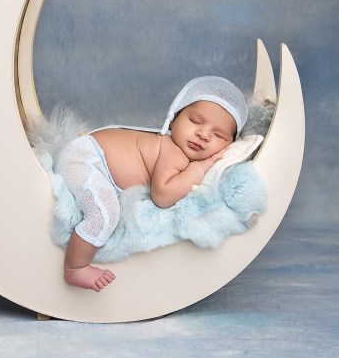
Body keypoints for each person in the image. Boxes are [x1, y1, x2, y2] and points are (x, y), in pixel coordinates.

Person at [55, 76, 248, 292]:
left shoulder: (173, 148)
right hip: (85, 161)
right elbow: (163, 196)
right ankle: (75, 267)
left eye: (218, 135)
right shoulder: (173, 151)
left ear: (229, 146)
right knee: (105, 214)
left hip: (88, 155)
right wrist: (199, 168)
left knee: (104, 206)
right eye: (195, 121)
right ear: (173, 119)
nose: (203, 134)